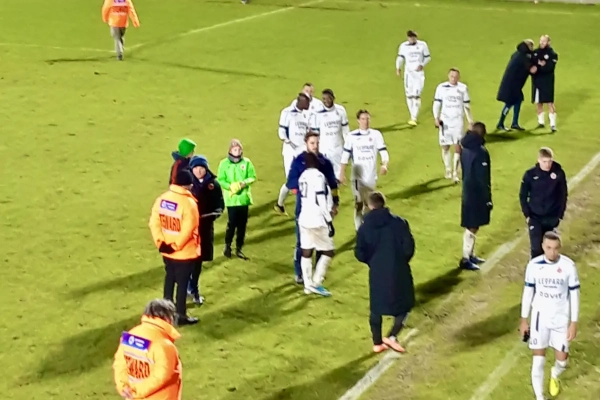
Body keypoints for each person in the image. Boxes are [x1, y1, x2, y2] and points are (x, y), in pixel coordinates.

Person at [520, 232, 580, 399]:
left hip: (560, 319)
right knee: (538, 360)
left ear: (559, 248)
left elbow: (574, 295)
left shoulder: (568, 266)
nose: (552, 252)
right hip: (540, 319)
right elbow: (528, 292)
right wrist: (524, 319)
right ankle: (540, 397)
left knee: (562, 360)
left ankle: (555, 373)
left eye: (555, 248)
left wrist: (574, 322)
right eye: (548, 248)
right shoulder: (534, 265)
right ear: (543, 247)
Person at [355, 192, 416, 354]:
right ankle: (392, 336)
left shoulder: (364, 227)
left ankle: (377, 343)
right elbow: (409, 247)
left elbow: (359, 253)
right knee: (405, 303)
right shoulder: (399, 222)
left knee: (376, 307)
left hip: (377, 270)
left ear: (370, 206)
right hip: (399, 268)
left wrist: (373, 262)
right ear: (383, 203)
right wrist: (401, 260)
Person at [287, 132, 339, 284]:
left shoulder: (325, 162)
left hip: (323, 210)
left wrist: (336, 203)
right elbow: (290, 182)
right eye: (312, 143)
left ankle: (316, 274)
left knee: (321, 244)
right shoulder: (299, 162)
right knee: (302, 243)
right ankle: (299, 273)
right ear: (306, 144)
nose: (315, 146)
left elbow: (333, 184)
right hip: (304, 208)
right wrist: (305, 187)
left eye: (317, 143)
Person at [149, 169, 200, 325]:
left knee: (169, 279)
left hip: (166, 250)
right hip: (184, 252)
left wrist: (161, 243)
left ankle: (165, 313)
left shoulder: (162, 199)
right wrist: (176, 245)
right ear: (188, 185)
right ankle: (180, 315)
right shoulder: (189, 203)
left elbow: (154, 223)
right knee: (182, 284)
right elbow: (189, 229)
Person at [113, 299, 182, 400]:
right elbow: (161, 376)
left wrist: (123, 387)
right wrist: (136, 393)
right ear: (167, 318)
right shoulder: (165, 346)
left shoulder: (130, 336)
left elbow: (120, 364)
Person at [339, 109, 389, 231]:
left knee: (369, 205)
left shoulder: (376, 135)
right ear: (358, 120)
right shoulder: (352, 136)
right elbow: (345, 156)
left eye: (367, 119)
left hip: (371, 176)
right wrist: (342, 173)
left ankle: (367, 227)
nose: (365, 121)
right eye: (363, 119)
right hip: (358, 176)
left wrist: (384, 165)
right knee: (359, 203)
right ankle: (359, 231)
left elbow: (384, 152)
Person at [297, 152, 336, 297]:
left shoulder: (302, 177)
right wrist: (329, 221)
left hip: (304, 218)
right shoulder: (319, 176)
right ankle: (316, 282)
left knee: (306, 251)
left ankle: (307, 285)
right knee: (328, 251)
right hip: (317, 219)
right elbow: (320, 199)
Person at [188, 155, 224, 305]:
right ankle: (190, 288)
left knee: (198, 261)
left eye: (201, 168)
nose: (198, 171)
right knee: (188, 261)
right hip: (189, 230)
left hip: (204, 229)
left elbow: (220, 206)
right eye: (195, 168)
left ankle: (193, 288)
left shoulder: (214, 185)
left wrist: (212, 215)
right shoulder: (187, 184)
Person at [519, 147, 568, 259]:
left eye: (549, 161)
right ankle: (536, 268)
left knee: (549, 248)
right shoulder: (530, 175)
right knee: (536, 248)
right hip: (535, 217)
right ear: (539, 160)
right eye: (544, 161)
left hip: (552, 217)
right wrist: (527, 215)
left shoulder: (558, 173)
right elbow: (523, 195)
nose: (547, 164)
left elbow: (563, 195)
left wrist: (560, 215)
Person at [459, 122, 492, 271]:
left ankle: (470, 254)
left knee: (474, 225)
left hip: (467, 190)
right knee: (472, 226)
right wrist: (487, 198)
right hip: (476, 193)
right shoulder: (480, 152)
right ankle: (465, 258)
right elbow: (482, 178)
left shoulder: (465, 148)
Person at [217, 139, 257, 260]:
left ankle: (239, 248)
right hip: (232, 200)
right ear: (230, 150)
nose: (237, 151)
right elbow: (220, 179)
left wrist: (244, 183)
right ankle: (227, 246)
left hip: (243, 199)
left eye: (239, 149)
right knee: (232, 224)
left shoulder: (247, 162)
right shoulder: (224, 164)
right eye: (235, 149)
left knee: (242, 225)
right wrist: (230, 186)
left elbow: (252, 176)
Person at [433, 68, 474, 183]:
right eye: (452, 76)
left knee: (458, 147)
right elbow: (436, 104)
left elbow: (466, 106)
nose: (454, 78)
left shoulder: (463, 88)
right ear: (448, 76)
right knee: (445, 146)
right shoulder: (441, 88)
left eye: (456, 77)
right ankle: (448, 169)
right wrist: (436, 117)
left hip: (457, 122)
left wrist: (470, 121)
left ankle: (455, 173)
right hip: (445, 121)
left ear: (458, 77)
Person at [275, 93, 311, 215]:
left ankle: (282, 205)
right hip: (290, 151)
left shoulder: (307, 114)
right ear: (300, 101)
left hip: (303, 151)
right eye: (307, 102)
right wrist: (287, 141)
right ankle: (281, 204)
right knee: (292, 180)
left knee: (305, 177)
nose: (309, 105)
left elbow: (308, 131)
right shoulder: (287, 112)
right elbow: (281, 130)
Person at [310, 88, 350, 180]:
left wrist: (348, 145)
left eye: (329, 98)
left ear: (333, 98)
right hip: (324, 149)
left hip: (338, 148)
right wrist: (315, 149)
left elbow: (345, 130)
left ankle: (335, 188)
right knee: (324, 175)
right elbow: (315, 134)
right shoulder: (317, 113)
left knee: (338, 176)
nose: (326, 101)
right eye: (324, 99)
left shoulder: (340, 110)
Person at [496, 39, 535, 131]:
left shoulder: (517, 53)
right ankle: (500, 123)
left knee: (518, 100)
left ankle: (514, 123)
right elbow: (531, 69)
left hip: (513, 84)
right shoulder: (524, 57)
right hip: (512, 85)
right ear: (528, 46)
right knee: (509, 103)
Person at [395, 30, 431, 126]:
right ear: (408, 38)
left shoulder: (422, 45)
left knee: (416, 95)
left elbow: (428, 57)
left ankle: (414, 117)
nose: (412, 39)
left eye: (414, 37)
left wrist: (422, 64)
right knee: (409, 95)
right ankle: (412, 116)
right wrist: (398, 68)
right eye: (410, 37)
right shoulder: (403, 46)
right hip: (408, 74)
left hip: (418, 74)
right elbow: (400, 58)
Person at [531, 35, 559, 132]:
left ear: (548, 42)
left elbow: (549, 68)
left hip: (547, 82)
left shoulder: (552, 54)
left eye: (544, 41)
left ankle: (553, 124)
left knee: (550, 103)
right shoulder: (535, 53)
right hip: (537, 81)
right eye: (541, 41)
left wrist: (538, 67)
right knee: (538, 102)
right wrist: (540, 65)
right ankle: (541, 122)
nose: (542, 43)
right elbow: (532, 67)